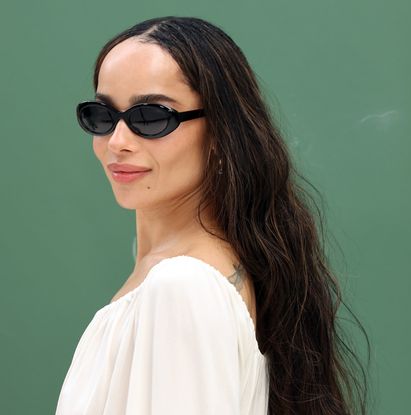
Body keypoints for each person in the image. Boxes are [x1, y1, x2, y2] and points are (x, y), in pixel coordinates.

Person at [55, 16, 370, 415]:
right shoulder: (172, 275)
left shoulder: (183, 286)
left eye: (151, 117)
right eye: (101, 116)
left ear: (221, 131)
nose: (117, 142)